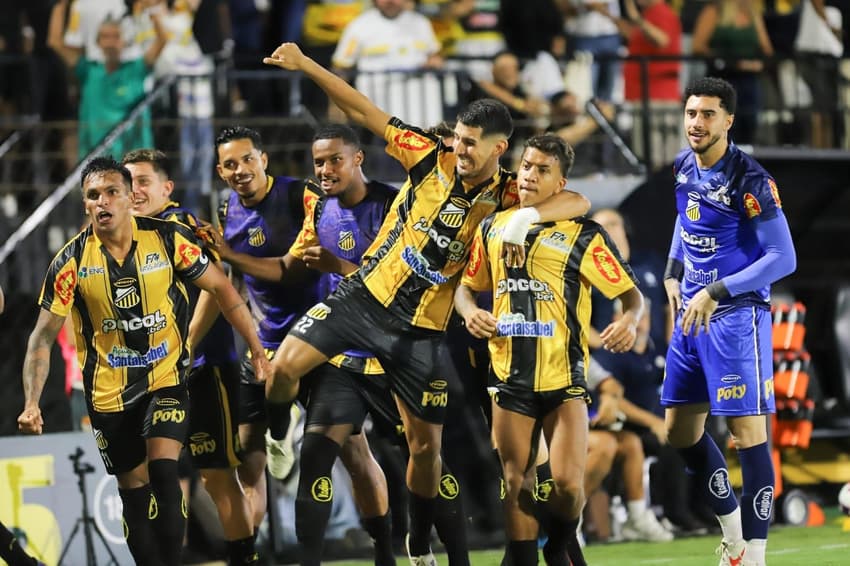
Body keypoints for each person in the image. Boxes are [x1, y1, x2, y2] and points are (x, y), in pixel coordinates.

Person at [261, 43, 590, 565]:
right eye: (457, 139)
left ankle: (419, 544)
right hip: (364, 298)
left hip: (420, 333)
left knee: (425, 451)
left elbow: (578, 202)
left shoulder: (508, 195)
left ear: (499, 147)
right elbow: (361, 108)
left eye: (471, 144)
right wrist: (305, 65)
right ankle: (279, 434)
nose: (459, 150)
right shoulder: (425, 155)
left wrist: (530, 218)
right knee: (281, 369)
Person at [209, 124, 472, 566]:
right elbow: (283, 267)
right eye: (320, 161)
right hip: (341, 354)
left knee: (424, 455)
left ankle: (432, 550)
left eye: (335, 159)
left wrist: (335, 264)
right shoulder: (318, 208)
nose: (326, 169)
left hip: (400, 351)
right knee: (314, 454)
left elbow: (399, 282)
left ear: (357, 159)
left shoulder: (389, 204)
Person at [16, 157, 270, 566]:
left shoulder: (168, 239)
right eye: (93, 195)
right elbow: (41, 338)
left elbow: (222, 287)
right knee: (133, 495)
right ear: (85, 204)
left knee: (165, 472)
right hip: (108, 394)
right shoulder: (70, 262)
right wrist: (31, 402)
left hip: (165, 378)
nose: (103, 202)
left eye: (112, 192)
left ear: (130, 198)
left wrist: (256, 349)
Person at [454, 133, 643, 565]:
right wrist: (469, 312)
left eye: (542, 170)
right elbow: (467, 288)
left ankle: (556, 546)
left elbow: (632, 296)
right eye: (526, 166)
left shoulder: (584, 236)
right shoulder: (494, 227)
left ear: (561, 184)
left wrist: (629, 320)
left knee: (568, 486)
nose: (529, 176)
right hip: (508, 376)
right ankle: (523, 558)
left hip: (564, 376)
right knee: (515, 480)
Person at [662, 77, 796, 566]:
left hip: (736, 316)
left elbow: (784, 258)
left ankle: (755, 555)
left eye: (708, 114)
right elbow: (685, 218)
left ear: (729, 120)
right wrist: (674, 271)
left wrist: (717, 291)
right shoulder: (682, 165)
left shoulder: (752, 181)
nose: (697, 122)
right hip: (691, 317)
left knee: (747, 434)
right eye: (691, 113)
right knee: (678, 433)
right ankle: (734, 537)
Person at [121, 148, 259, 565]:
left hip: (202, 370)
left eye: (144, 182)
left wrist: (188, 346)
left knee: (216, 475)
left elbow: (217, 288)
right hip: (150, 378)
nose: (135, 191)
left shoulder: (180, 224)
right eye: (129, 184)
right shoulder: (124, 239)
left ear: (167, 188)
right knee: (151, 477)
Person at [212, 125, 321, 534]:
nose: (239, 169)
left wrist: (229, 255)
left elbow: (289, 272)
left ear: (263, 159)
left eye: (246, 159)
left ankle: (385, 550)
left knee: (352, 451)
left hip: (316, 337)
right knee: (247, 456)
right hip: (265, 341)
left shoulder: (299, 196)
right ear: (220, 171)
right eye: (229, 164)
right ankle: (247, 550)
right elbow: (231, 282)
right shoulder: (227, 210)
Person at [48, 0, 167, 160]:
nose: (110, 42)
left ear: (124, 41)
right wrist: (60, 4)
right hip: (97, 160)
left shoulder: (137, 69)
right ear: (98, 42)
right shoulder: (89, 70)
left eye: (116, 37)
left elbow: (163, 40)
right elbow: (54, 42)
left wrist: (152, 9)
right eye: (105, 37)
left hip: (133, 163)